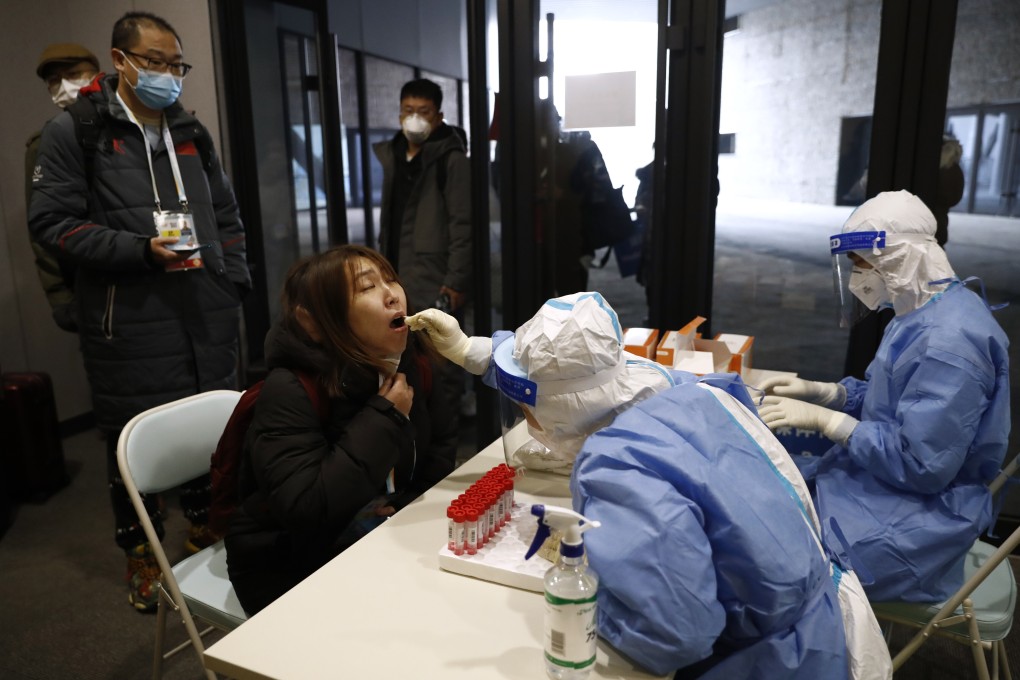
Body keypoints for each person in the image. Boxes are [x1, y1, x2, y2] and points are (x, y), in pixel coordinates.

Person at [406, 293, 891, 680]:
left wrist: (589, 582)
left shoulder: (616, 462)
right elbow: (567, 376)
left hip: (778, 662)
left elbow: (675, 635)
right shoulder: (681, 390)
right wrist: (473, 351)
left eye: (527, 403)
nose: (525, 417)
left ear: (556, 405)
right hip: (829, 622)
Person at [29, 12, 251, 612]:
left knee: (210, 435)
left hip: (205, 312)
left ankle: (207, 529)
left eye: (175, 64)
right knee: (135, 440)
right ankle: (143, 557)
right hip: (128, 321)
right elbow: (51, 225)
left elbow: (225, 215)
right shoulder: (77, 131)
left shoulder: (190, 131)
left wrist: (235, 282)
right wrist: (137, 251)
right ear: (120, 60)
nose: (166, 74)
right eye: (153, 61)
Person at [757, 190, 1010, 603]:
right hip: (885, 485)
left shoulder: (950, 344)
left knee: (772, 553)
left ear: (901, 258)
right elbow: (888, 401)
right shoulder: (919, 313)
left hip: (921, 516)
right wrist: (831, 394)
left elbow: (922, 463)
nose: (860, 279)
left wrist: (827, 422)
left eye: (864, 265)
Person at [224, 245, 457, 616]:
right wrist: (384, 416)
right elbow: (304, 508)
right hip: (287, 564)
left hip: (377, 538)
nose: (392, 293)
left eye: (390, 278)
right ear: (313, 323)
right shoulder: (290, 388)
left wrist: (404, 503)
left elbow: (441, 448)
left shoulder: (410, 362)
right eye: (367, 287)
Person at [26, 43, 101, 332]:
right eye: (53, 81)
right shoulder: (42, 145)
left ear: (96, 74)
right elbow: (41, 230)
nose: (63, 86)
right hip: (86, 284)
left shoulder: (127, 130)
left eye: (72, 74)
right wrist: (60, 298)